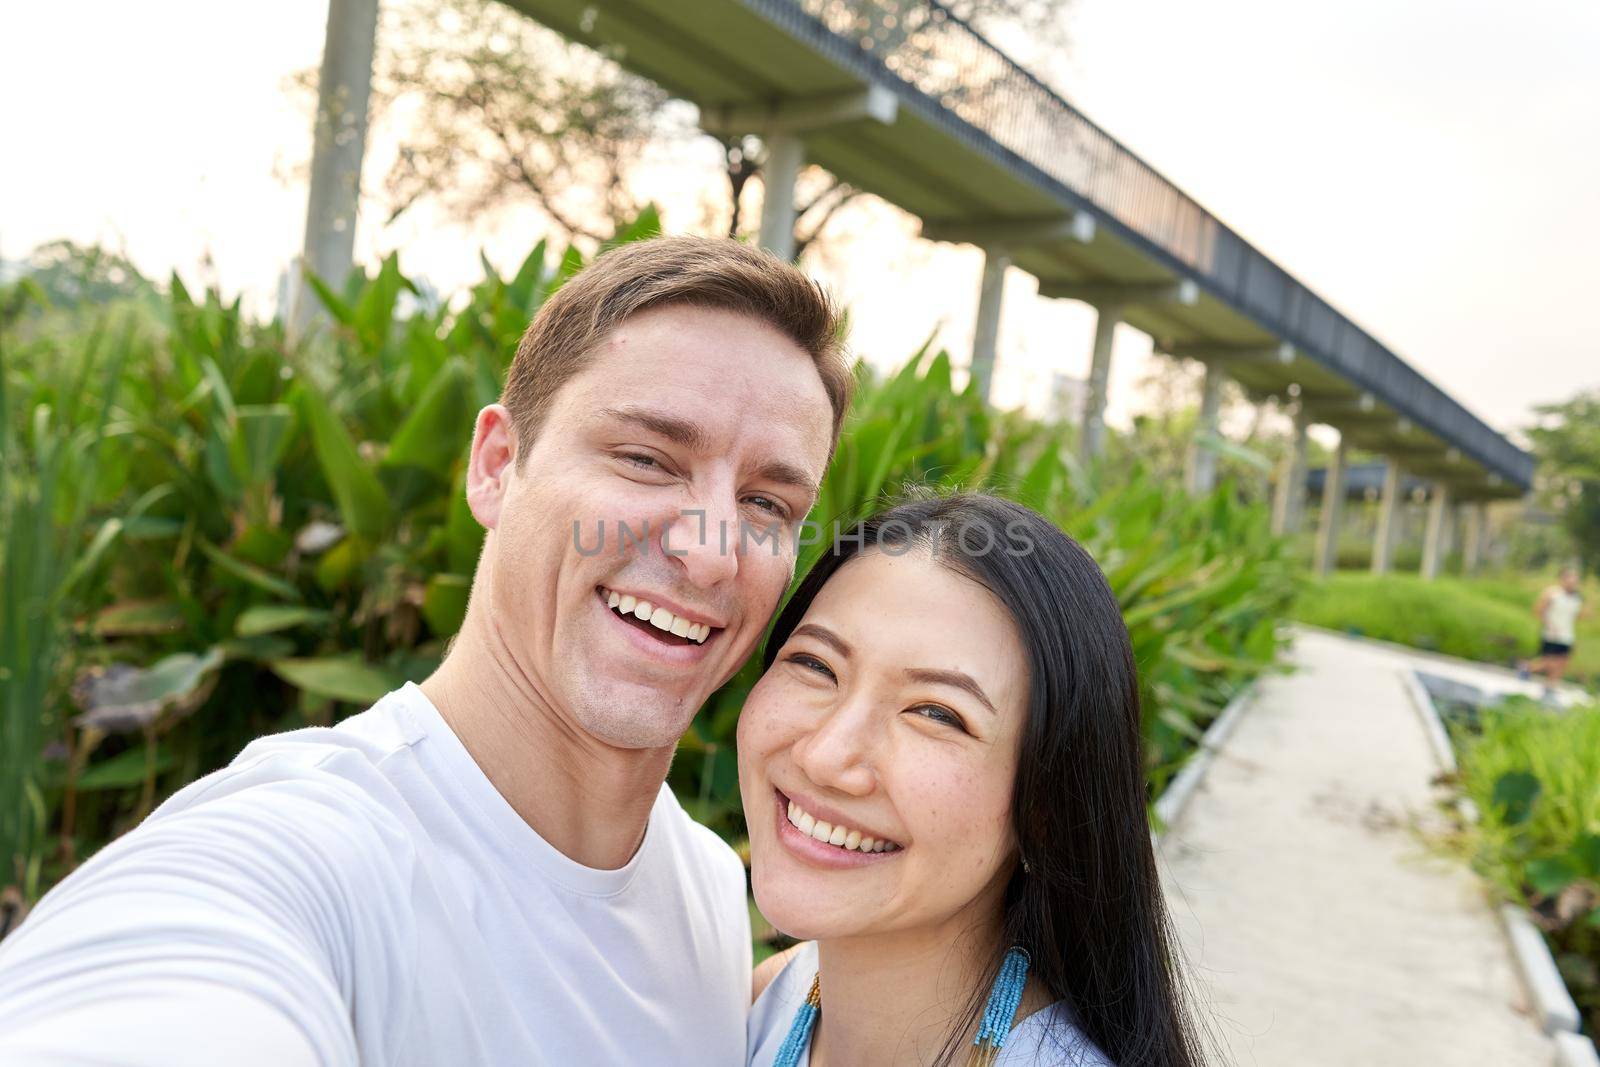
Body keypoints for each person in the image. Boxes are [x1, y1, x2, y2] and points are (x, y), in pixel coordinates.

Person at [0, 236, 854, 1066]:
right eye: (645, 458)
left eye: (767, 504)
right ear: (494, 464)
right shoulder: (304, 857)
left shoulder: (706, 885)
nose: (712, 550)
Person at [741, 493, 1207, 1067]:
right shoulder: (769, 1001)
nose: (825, 756)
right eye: (816, 665)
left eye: (935, 713)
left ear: (1045, 809)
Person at [1519, 565, 1588, 695]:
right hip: (1551, 633)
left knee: (1563, 662)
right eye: (1571, 578)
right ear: (1563, 578)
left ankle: (1551, 686)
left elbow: (1576, 616)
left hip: (1567, 634)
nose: (1573, 581)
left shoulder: (1577, 597)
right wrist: (1549, 625)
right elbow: (1538, 611)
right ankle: (1527, 668)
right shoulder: (1552, 593)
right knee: (1549, 662)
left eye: (1575, 579)